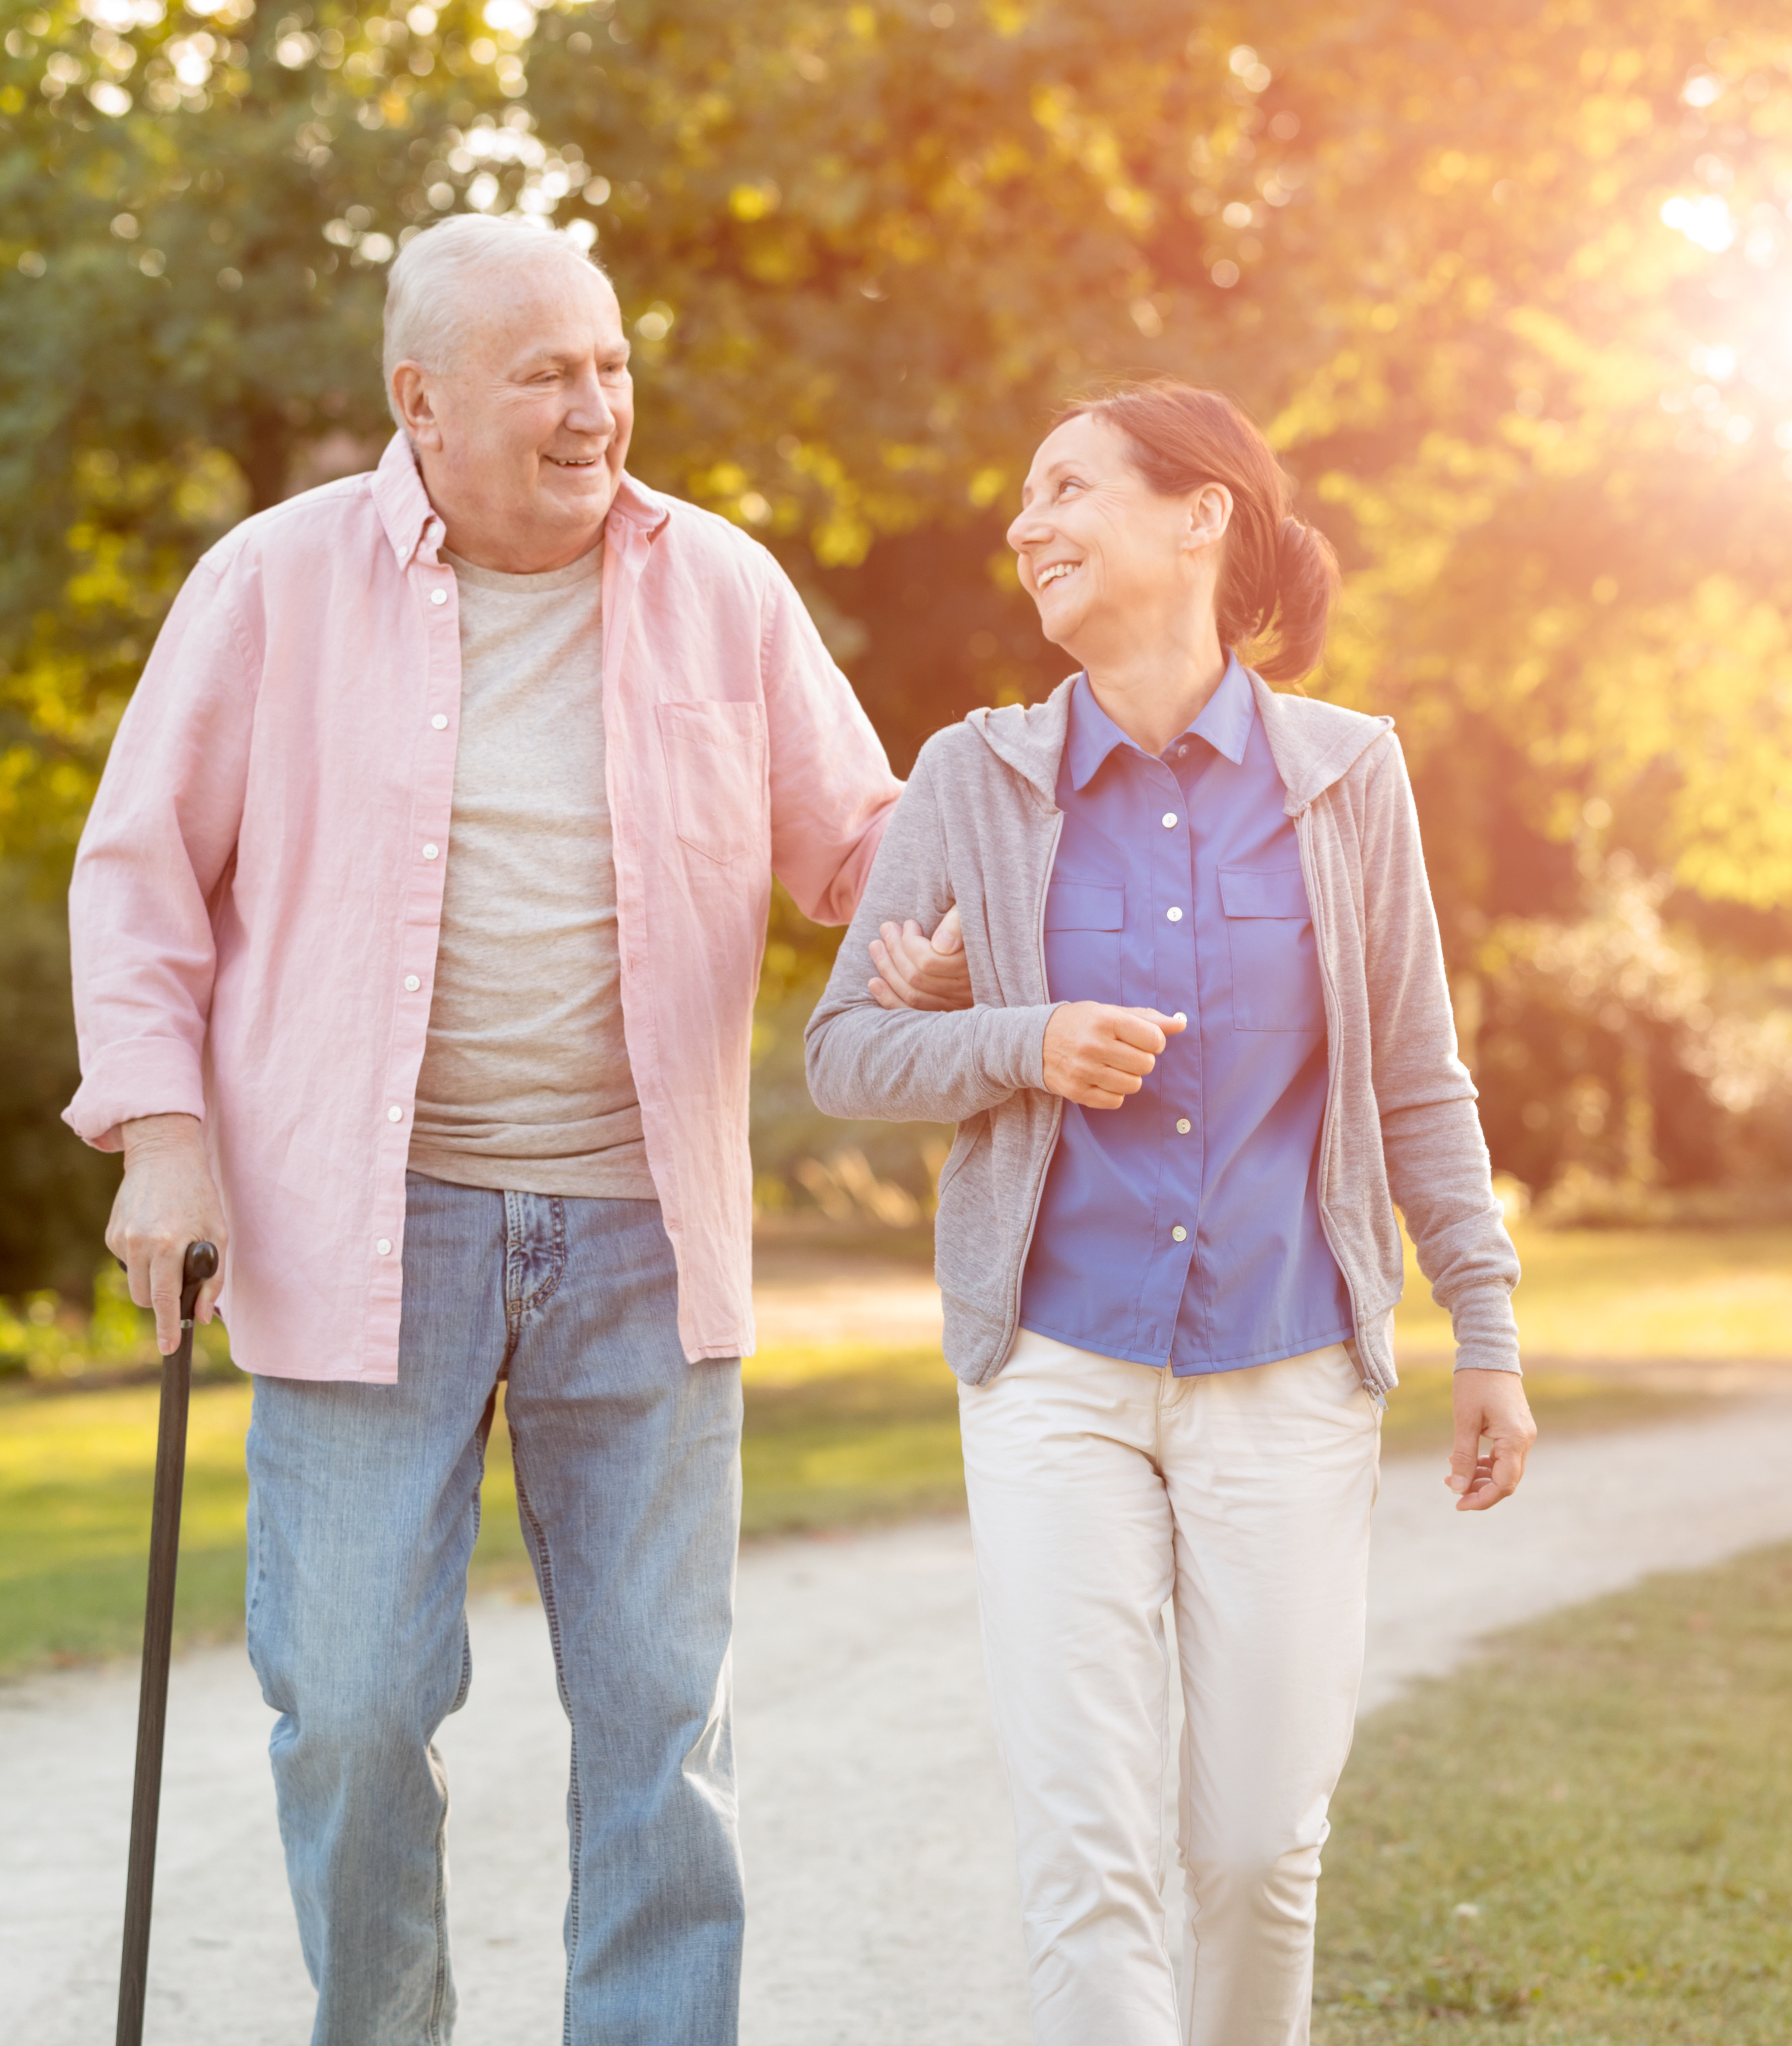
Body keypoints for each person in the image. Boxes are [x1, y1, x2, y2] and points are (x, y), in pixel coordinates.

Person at [66, 212, 966, 2044]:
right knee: (357, 1705)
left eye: (612, 363)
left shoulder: (721, 583)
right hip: (358, 1219)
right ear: (423, 402)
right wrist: (165, 1132)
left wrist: (940, 927)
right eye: (546, 372)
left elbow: (859, 844)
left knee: (660, 1721)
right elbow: (140, 875)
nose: (595, 406)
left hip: (639, 1225)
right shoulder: (274, 584)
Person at [806, 380, 1535, 2046]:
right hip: (1057, 1368)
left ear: (1201, 514)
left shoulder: (1349, 777)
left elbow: (1419, 1077)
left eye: (1066, 488)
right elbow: (849, 1050)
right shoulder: (971, 780)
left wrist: (1483, 1328)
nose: (1026, 524)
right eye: (1023, 499)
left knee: (1259, 1845)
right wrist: (1025, 1044)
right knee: (1091, 1847)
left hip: (1286, 1365)